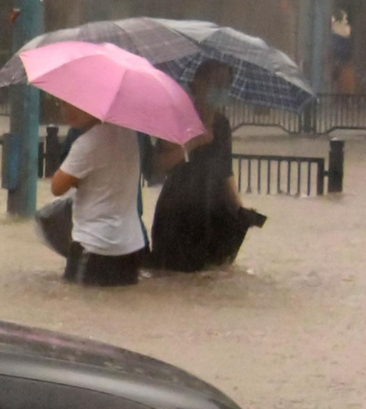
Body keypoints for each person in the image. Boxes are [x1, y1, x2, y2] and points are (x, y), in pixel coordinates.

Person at [147, 62, 265, 272]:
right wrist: (193, 142)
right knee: (174, 276)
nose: (220, 90)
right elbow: (158, 167)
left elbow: (225, 172)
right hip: (179, 212)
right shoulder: (177, 119)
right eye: (214, 84)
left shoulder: (222, 124)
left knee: (211, 277)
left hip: (213, 213)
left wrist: (239, 209)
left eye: (225, 85)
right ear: (197, 86)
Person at [48, 102, 147, 286]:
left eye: (71, 104)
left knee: (78, 309)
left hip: (94, 247)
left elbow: (57, 187)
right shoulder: (129, 134)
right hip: (130, 248)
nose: (64, 110)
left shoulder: (87, 143)